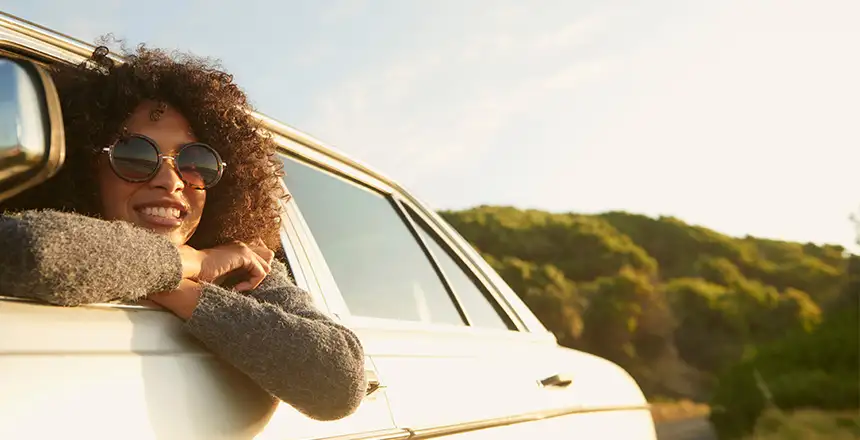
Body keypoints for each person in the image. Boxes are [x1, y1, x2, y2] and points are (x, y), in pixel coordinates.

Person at [0, 43, 366, 421]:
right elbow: (32, 250)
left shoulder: (243, 269)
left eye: (196, 162)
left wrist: (182, 289)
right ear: (86, 167)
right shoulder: (213, 260)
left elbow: (339, 382)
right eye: (135, 155)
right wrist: (192, 263)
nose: (171, 180)